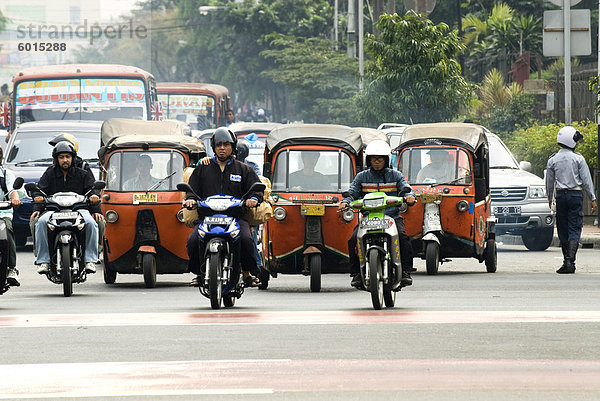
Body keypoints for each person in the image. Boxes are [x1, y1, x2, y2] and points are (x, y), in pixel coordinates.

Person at [184, 127, 264, 287]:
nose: (222, 148)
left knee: (247, 240)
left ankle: (247, 273)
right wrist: (190, 200)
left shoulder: (243, 169)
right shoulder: (203, 168)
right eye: (219, 144)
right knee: (193, 241)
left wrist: (254, 199)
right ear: (213, 147)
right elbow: (192, 190)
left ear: (232, 147)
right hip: (207, 217)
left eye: (226, 144)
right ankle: (199, 273)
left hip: (235, 217)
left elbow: (256, 189)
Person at [338, 140, 416, 288]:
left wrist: (410, 197)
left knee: (403, 237)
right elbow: (352, 193)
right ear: (369, 160)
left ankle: (406, 271)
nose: (377, 161)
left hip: (392, 217)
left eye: (380, 158)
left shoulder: (396, 175)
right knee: (353, 239)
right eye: (374, 158)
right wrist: (346, 201)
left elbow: (407, 188)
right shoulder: (361, 177)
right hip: (368, 218)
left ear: (386, 160)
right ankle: (356, 274)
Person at [30, 142, 102, 274]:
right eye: (61, 157)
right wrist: (38, 203)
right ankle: (43, 261)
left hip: (79, 209)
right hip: (53, 209)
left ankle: (90, 260)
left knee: (92, 223)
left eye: (67, 157)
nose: (65, 160)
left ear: (72, 158)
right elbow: (40, 189)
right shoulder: (49, 173)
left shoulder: (82, 173)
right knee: (40, 222)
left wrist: (95, 203)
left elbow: (92, 190)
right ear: (56, 159)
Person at [546, 126, 597, 274]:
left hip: (561, 196)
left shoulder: (553, 160)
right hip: (575, 196)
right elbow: (587, 181)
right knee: (574, 227)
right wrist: (593, 199)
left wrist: (550, 198)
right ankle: (570, 262)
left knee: (562, 227)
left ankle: (567, 262)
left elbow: (549, 183)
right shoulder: (578, 159)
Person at [0, 147, 23, 286]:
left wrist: (15, 199)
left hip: (3, 212)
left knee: (7, 230)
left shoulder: (6, 174)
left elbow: (13, 191)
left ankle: (12, 268)